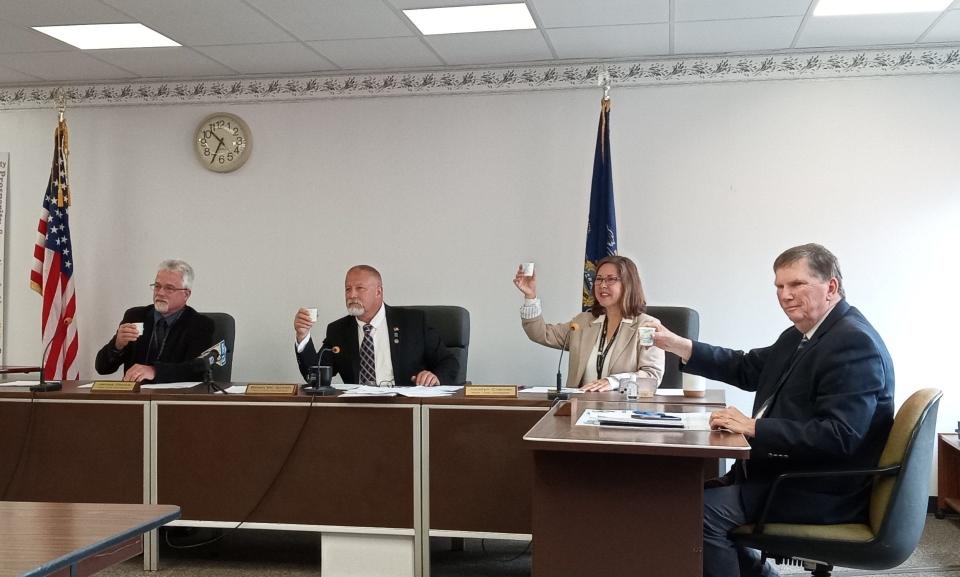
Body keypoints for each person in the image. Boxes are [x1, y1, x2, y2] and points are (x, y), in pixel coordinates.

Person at [649, 243, 895, 577]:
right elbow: (746, 367)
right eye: (779, 286)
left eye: (796, 285)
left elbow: (840, 435)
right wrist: (675, 343)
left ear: (831, 287)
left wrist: (753, 428)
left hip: (819, 488)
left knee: (697, 513)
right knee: (681, 498)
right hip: (783, 475)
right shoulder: (805, 334)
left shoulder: (853, 343)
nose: (785, 295)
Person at [513, 255, 664, 391]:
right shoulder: (583, 322)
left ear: (628, 284)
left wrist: (613, 382)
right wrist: (530, 296)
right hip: (578, 407)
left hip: (622, 410)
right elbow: (540, 334)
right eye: (599, 279)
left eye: (611, 279)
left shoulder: (646, 326)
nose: (602, 285)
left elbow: (651, 377)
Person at [294, 265, 459, 386]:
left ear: (378, 292)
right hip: (356, 411)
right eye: (347, 289)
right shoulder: (338, 330)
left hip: (405, 407)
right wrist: (303, 336)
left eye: (360, 288)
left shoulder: (412, 322)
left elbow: (449, 362)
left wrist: (435, 376)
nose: (352, 295)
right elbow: (315, 375)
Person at [95, 259, 215, 383]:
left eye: (169, 288)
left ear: (186, 294)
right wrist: (117, 345)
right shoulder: (135, 316)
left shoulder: (200, 325)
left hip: (174, 399)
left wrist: (155, 371)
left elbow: (196, 370)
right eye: (157, 286)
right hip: (135, 397)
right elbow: (102, 368)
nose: (160, 293)